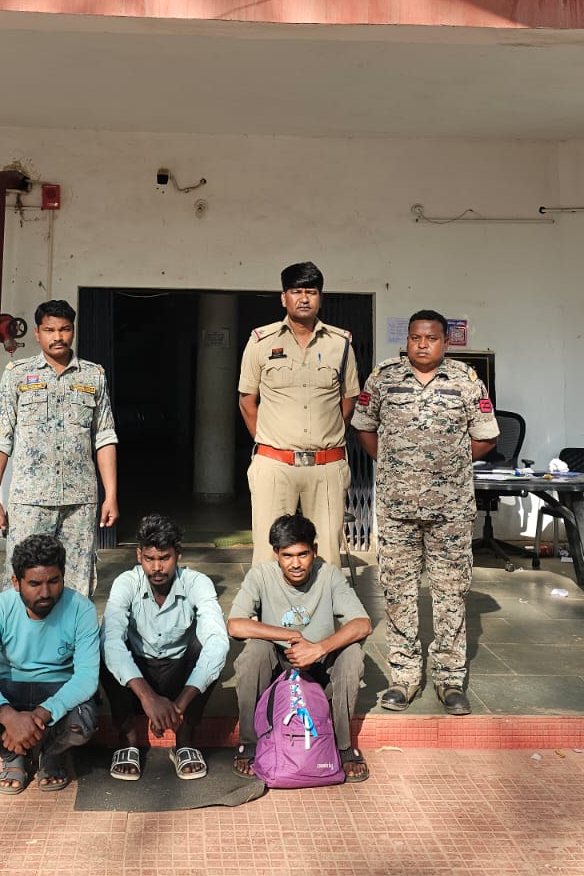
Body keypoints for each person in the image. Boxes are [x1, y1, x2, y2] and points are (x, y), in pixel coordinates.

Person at [351, 309, 499, 716]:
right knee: (398, 593)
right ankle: (404, 677)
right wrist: (395, 464)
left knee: (451, 594)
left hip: (450, 510)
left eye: (431, 338)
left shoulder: (466, 380)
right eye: (415, 337)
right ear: (407, 340)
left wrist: (446, 465)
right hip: (397, 507)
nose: (422, 344)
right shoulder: (384, 378)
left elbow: (487, 437)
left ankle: (450, 680)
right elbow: (364, 427)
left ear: (445, 342)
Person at [0, 299, 119, 597]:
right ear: (37, 333)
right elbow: (0, 438)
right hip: (29, 502)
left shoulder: (93, 375)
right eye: (49, 330)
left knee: (77, 582)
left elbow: (104, 437)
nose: (58, 337)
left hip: (79, 502)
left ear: (73, 331)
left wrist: (110, 495)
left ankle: (71, 630)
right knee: (23, 581)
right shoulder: (17, 374)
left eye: (65, 329)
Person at [228, 513, 371, 782]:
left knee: (352, 654)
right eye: (287, 556)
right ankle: (249, 742)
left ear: (314, 551)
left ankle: (343, 746)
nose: (295, 564)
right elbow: (235, 625)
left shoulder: (328, 575)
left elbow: (363, 624)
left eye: (303, 554)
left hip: (320, 667)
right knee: (254, 652)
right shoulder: (261, 575)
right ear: (276, 554)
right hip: (278, 671)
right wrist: (290, 635)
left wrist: (318, 648)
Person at [0, 533, 102, 795]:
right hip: (10, 687)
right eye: (34, 583)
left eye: (54, 581)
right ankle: (13, 755)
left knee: (83, 722)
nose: (45, 592)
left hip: (59, 688)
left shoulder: (82, 609)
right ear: (16, 582)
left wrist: (41, 714)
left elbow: (87, 677)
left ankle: (52, 754)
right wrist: (8, 716)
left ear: (63, 577)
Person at [237, 261, 360, 566]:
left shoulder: (341, 344)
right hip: (275, 464)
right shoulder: (261, 341)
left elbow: (348, 401)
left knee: (327, 552)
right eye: (296, 291)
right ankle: (269, 600)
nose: (304, 298)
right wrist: (271, 442)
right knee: (268, 552)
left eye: (311, 292)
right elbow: (247, 402)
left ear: (320, 298)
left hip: (326, 466)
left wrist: (326, 435)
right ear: (284, 298)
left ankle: (323, 600)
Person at [100, 513, 229, 781]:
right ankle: (128, 739)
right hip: (136, 680)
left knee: (210, 646)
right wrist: (148, 698)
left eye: (164, 558)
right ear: (139, 556)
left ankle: (185, 739)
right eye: (149, 559)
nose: (157, 567)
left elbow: (218, 641)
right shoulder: (126, 582)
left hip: (179, 679)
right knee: (106, 644)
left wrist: (179, 706)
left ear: (178, 554)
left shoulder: (197, 582)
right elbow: (111, 641)